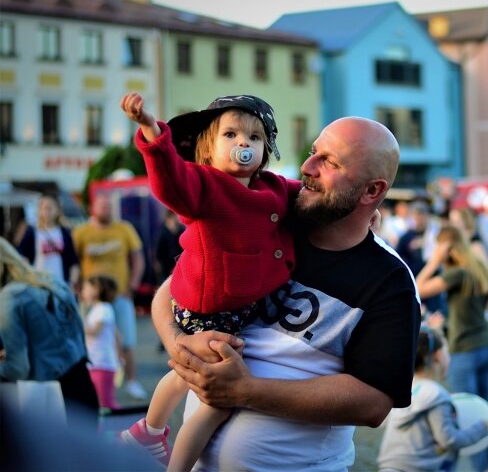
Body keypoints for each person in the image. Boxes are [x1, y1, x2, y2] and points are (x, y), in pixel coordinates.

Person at [154, 116, 421, 471]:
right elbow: (172, 288)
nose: (307, 167)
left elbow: (373, 403)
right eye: (314, 152)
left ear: (372, 192)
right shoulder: (270, 221)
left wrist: (244, 390)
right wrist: (178, 345)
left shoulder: (390, 282)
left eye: (330, 161)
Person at [119, 92, 298, 470]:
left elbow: (307, 202)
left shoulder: (274, 186)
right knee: (219, 400)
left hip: (232, 307)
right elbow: (170, 182)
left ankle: (147, 430)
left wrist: (359, 217)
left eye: (254, 137)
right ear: (206, 150)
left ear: (266, 149)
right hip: (207, 307)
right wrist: (153, 135)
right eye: (230, 135)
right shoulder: (204, 185)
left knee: (184, 373)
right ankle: (170, 460)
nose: (243, 143)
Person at [416, 224, 488, 472]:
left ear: (447, 248)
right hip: (485, 345)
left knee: (467, 413)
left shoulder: (457, 274)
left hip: (464, 350)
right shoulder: (477, 268)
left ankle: (480, 468)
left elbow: (416, 287)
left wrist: (434, 261)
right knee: (486, 410)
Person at [0, 237, 99, 428]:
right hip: (82, 386)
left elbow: (18, 367)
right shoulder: (50, 280)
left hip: (51, 399)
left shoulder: (9, 298)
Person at [377, 325, 488, 472]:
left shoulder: (404, 390)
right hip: (419, 467)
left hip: (390, 465)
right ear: (437, 356)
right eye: (447, 352)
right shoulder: (437, 395)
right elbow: (449, 439)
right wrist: (481, 428)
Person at [73, 194, 146, 401]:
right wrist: (78, 286)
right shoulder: (81, 232)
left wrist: (133, 286)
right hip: (91, 298)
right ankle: (90, 380)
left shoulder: (124, 229)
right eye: (102, 206)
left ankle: (132, 382)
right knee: (86, 339)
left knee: (127, 341)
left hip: (120, 294)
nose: (106, 210)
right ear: (92, 209)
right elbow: (74, 260)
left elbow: (138, 257)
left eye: (108, 206)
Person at [15, 194, 80, 289]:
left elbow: (73, 261)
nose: (47, 211)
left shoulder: (64, 232)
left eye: (50, 208)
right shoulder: (31, 232)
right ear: (39, 211)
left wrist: (72, 283)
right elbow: (21, 257)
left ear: (57, 210)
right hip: (38, 283)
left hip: (60, 282)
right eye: (44, 208)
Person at [80, 274, 122, 410]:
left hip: (103, 364)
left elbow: (94, 331)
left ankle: (122, 426)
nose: (83, 292)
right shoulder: (99, 309)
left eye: (86, 288)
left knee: (106, 404)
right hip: (97, 363)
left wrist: (76, 321)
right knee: (98, 404)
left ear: (96, 290)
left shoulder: (103, 309)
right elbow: (117, 335)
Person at [153, 209, 184, 286]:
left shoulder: (181, 232)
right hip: (165, 271)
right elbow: (157, 255)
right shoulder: (161, 234)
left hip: (179, 269)